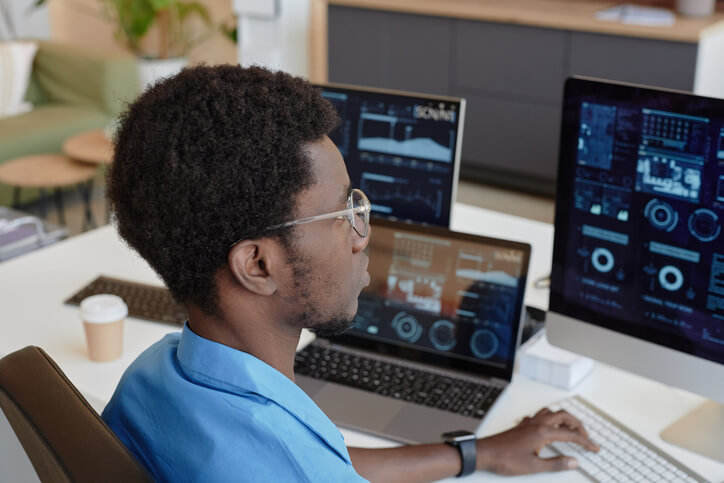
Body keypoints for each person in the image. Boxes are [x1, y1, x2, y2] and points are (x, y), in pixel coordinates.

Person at [102, 65, 598, 482]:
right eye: (343, 215)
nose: (363, 236)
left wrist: (475, 453)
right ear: (257, 265)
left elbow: (320, 460)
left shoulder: (149, 378)